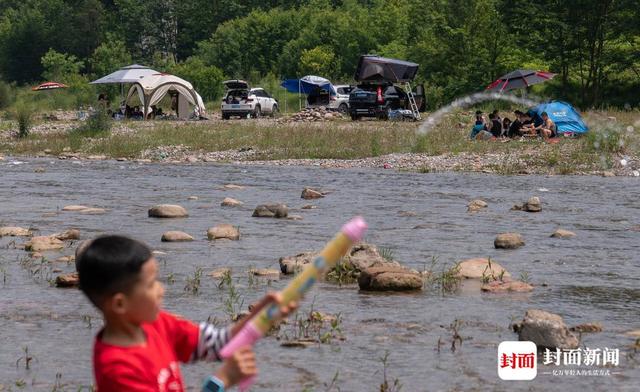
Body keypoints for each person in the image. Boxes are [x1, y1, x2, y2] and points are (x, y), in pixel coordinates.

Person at [76, 235, 297, 391]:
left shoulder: (157, 325)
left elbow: (219, 344)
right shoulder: (118, 368)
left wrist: (261, 316)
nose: (161, 290)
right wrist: (221, 382)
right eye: (152, 284)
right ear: (120, 304)